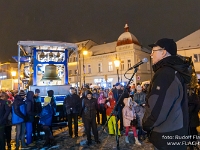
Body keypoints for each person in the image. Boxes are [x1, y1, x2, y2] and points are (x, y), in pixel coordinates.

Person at [142, 38, 191, 150]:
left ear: (163, 52)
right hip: (175, 133)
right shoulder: (173, 71)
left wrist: (146, 124)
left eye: (153, 51)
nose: (151, 55)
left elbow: (157, 110)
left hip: (166, 137)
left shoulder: (165, 74)